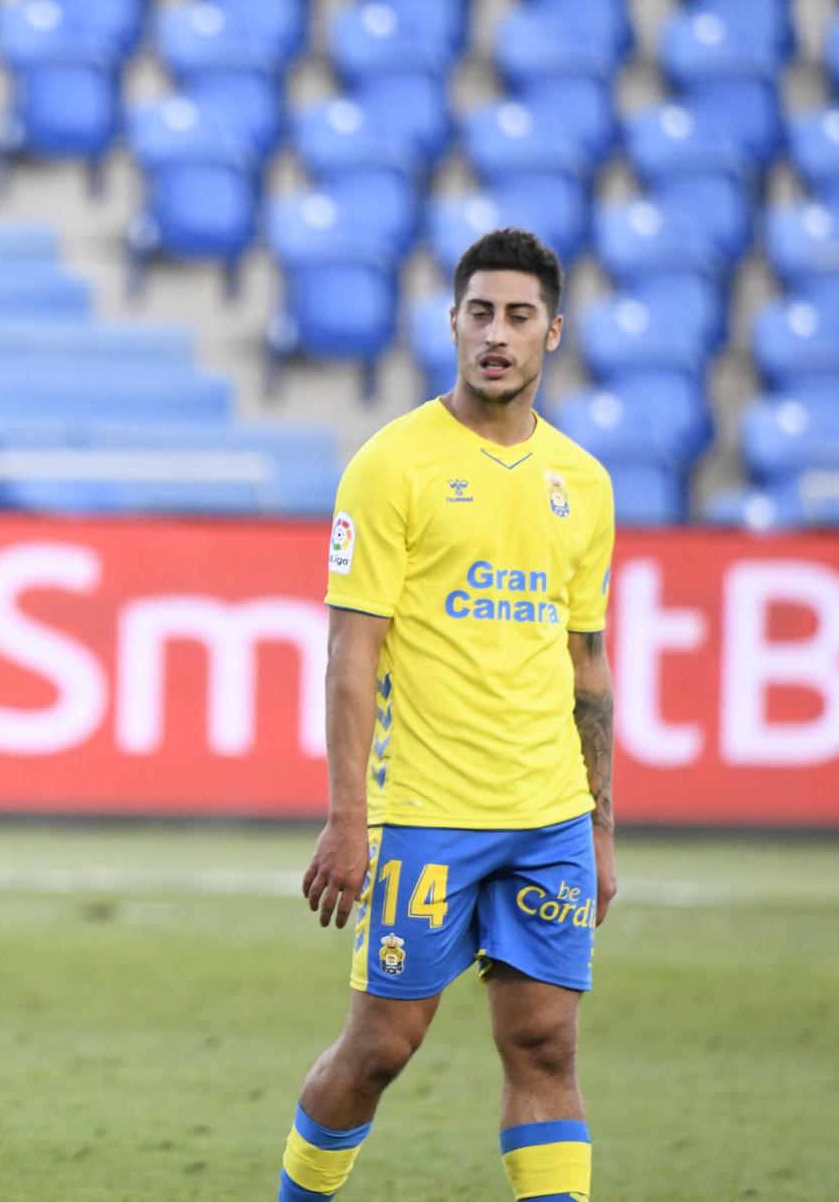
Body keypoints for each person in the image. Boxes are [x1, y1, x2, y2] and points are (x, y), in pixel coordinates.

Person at [275, 228, 617, 1202]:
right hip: (424, 813)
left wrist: (597, 822)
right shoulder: (393, 465)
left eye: (516, 316)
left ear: (552, 331)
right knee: (381, 1044)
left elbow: (584, 664)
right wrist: (349, 815)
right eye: (478, 313)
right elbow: (350, 653)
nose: (495, 335)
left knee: (544, 1043)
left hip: (547, 815)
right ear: (451, 323)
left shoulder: (582, 483)